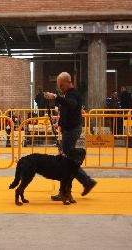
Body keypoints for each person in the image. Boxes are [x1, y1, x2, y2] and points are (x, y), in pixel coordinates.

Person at [44, 72, 97, 200]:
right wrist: (59, 123)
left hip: (72, 130)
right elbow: (66, 111)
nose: (60, 88)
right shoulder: (67, 94)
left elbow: (71, 104)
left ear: (69, 82)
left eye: (62, 85)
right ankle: (85, 182)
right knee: (68, 161)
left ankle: (67, 191)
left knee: (66, 162)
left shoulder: (74, 94)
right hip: (68, 129)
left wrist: (55, 97)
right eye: (59, 86)